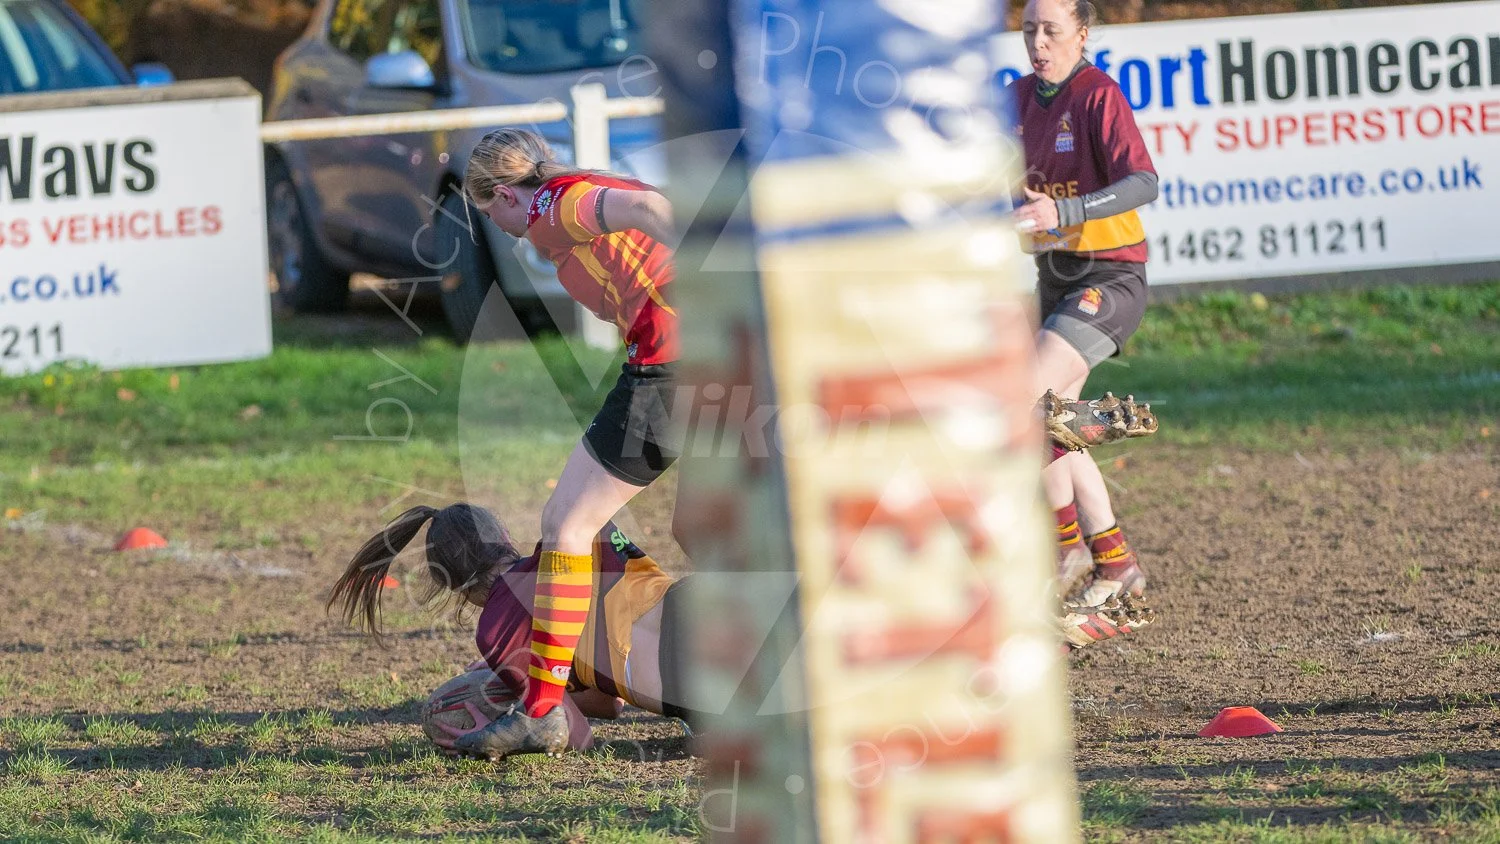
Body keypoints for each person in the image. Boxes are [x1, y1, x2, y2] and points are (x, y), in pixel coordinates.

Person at [459, 129, 681, 748]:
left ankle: (541, 711)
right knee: (702, 529)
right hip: (715, 362)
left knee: (567, 525)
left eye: (490, 215)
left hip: (673, 368)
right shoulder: (580, 189)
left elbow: (651, 209)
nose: (502, 230)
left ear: (504, 195)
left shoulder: (548, 207)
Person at [1011, 0, 1160, 645]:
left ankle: (1066, 548)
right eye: (1029, 31)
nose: (1039, 43)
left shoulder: (1097, 94)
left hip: (1110, 278)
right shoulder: (1016, 100)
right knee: (1046, 419)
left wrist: (1064, 214)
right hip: (1055, 280)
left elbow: (1143, 182)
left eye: (1052, 30)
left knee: (1029, 406)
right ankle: (1114, 567)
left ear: (1082, 34)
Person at [327, 504, 700, 758]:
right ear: (504, 537)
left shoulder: (497, 630)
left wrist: (508, 709)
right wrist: (539, 681)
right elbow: (611, 701)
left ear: (451, 585)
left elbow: (580, 733)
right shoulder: (583, 532)